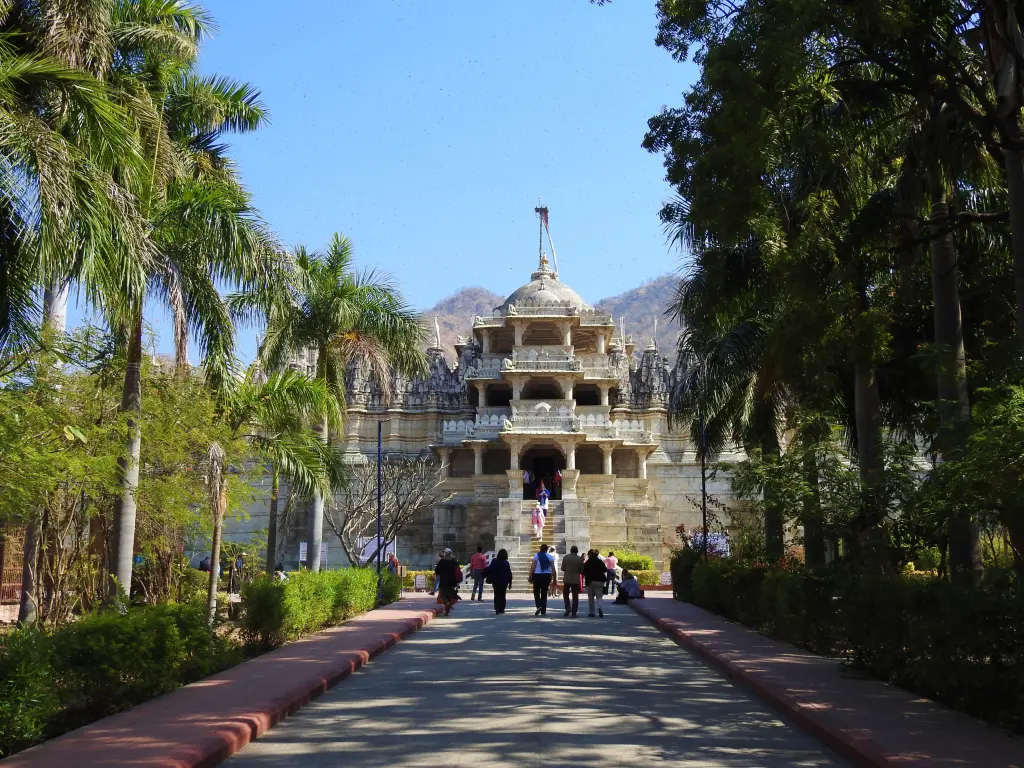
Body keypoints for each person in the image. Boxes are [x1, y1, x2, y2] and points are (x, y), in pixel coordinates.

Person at [483, 548, 513, 614]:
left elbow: (490, 569)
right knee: (502, 595)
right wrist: (510, 583)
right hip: (504, 582)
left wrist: (484, 573)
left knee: (496, 595)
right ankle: (501, 609)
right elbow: (509, 573)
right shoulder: (506, 563)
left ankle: (497, 608)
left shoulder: (494, 561)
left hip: (496, 581)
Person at [530, 543, 556, 616]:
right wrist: (554, 578)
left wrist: (529, 576)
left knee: (536, 592)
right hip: (546, 576)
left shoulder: (536, 556)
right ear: (547, 549)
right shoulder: (550, 557)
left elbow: (533, 567)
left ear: (540, 549)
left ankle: (539, 606)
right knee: (544, 592)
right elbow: (553, 569)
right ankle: (543, 610)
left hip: (537, 575)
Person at [434, 548, 462, 616]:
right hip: (452, 581)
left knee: (442, 595)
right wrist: (458, 581)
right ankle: (447, 611)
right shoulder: (454, 561)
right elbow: (458, 571)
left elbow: (437, 570)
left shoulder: (442, 561)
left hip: (444, 580)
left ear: (445, 553)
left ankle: (447, 604)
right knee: (450, 596)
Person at [560, 545, 584, 617]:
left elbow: (562, 568)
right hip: (575, 580)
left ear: (570, 550)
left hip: (567, 579)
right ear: (577, 551)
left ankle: (567, 608)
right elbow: (581, 571)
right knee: (575, 596)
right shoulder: (580, 560)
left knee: (566, 594)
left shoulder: (566, 557)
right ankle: (574, 611)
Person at [584, 549, 608, 618]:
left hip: (590, 581)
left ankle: (592, 612)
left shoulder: (588, 562)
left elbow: (583, 572)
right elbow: (605, 569)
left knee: (591, 597)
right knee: (599, 596)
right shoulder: (599, 561)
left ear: (589, 555)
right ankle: (599, 607)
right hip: (599, 581)